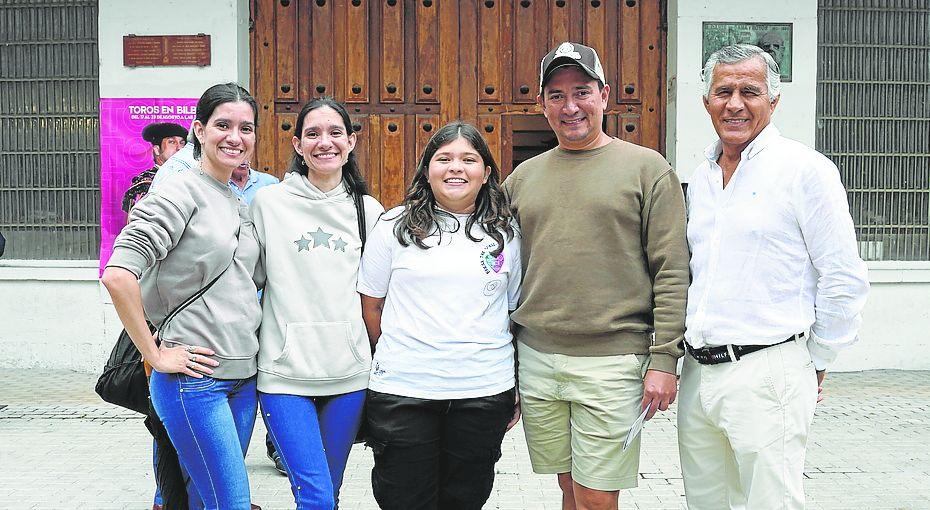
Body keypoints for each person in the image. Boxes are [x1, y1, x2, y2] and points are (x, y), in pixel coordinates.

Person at [679, 44, 870, 510]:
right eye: (723, 91)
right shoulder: (701, 177)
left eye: (749, 91)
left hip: (767, 371)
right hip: (698, 375)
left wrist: (816, 358)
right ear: (705, 102)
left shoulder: (805, 171)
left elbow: (843, 275)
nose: (735, 104)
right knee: (705, 504)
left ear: (774, 100)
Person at [503, 42, 689, 510]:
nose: (570, 107)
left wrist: (665, 359)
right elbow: (495, 267)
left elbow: (671, 270)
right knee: (569, 488)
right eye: (557, 95)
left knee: (597, 497)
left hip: (613, 361)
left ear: (604, 95)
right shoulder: (521, 179)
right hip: (538, 358)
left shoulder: (648, 169)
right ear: (542, 104)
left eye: (582, 92)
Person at [102, 82, 264, 510]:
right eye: (223, 125)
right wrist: (154, 354)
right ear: (199, 129)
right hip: (195, 383)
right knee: (232, 503)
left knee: (202, 499)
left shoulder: (236, 197)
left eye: (246, 128)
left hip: (242, 377)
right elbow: (118, 275)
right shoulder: (179, 190)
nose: (235, 137)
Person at [357, 121, 521, 510]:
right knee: (403, 499)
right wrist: (403, 352)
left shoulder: (507, 234)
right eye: (444, 158)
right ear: (427, 170)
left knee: (466, 498)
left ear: (486, 173)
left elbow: (512, 311)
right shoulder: (393, 227)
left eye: (469, 159)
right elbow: (371, 306)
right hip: (405, 390)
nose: (456, 168)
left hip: (482, 391)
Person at [250, 96, 384, 509]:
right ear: (297, 144)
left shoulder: (369, 211)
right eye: (313, 134)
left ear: (351, 142)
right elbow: (244, 280)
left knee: (330, 492)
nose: (324, 142)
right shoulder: (268, 204)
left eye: (335, 132)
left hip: (349, 374)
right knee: (317, 496)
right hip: (284, 374)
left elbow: (380, 294)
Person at [121, 122, 187, 213]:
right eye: (172, 142)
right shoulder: (146, 181)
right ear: (157, 150)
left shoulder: (188, 177)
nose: (179, 148)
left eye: (182, 143)